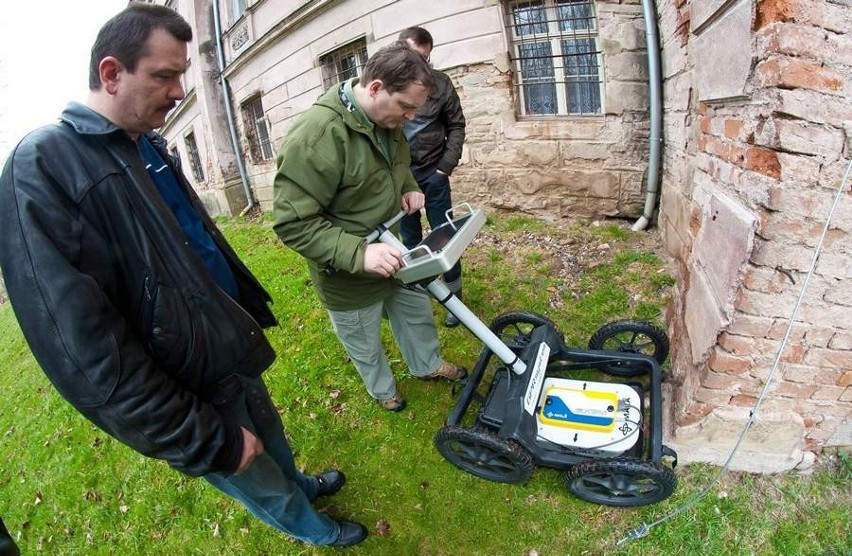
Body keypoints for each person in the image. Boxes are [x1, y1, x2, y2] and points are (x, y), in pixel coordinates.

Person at [0, 3, 365, 548]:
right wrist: (197, 438)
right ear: (110, 73)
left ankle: (302, 486)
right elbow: (82, 350)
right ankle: (313, 529)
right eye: (165, 75)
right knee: (245, 465)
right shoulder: (44, 166)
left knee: (268, 436)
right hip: (182, 382)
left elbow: (189, 240)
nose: (177, 92)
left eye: (181, 76)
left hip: (220, 343)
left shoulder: (144, 143)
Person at [272, 42, 466, 413]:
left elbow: (398, 162)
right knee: (363, 339)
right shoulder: (316, 137)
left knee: (415, 313)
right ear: (376, 88)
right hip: (346, 267)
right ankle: (383, 390)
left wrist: (408, 186)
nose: (411, 117)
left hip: (392, 248)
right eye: (407, 107)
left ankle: (426, 365)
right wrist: (359, 253)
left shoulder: (385, 119)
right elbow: (292, 223)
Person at [397, 27, 467, 327]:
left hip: (434, 174)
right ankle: (419, 291)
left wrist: (444, 169)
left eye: (426, 58)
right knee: (410, 239)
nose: (422, 65)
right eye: (416, 57)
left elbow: (457, 126)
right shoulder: (391, 84)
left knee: (445, 235)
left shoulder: (440, 83)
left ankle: (455, 297)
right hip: (400, 179)